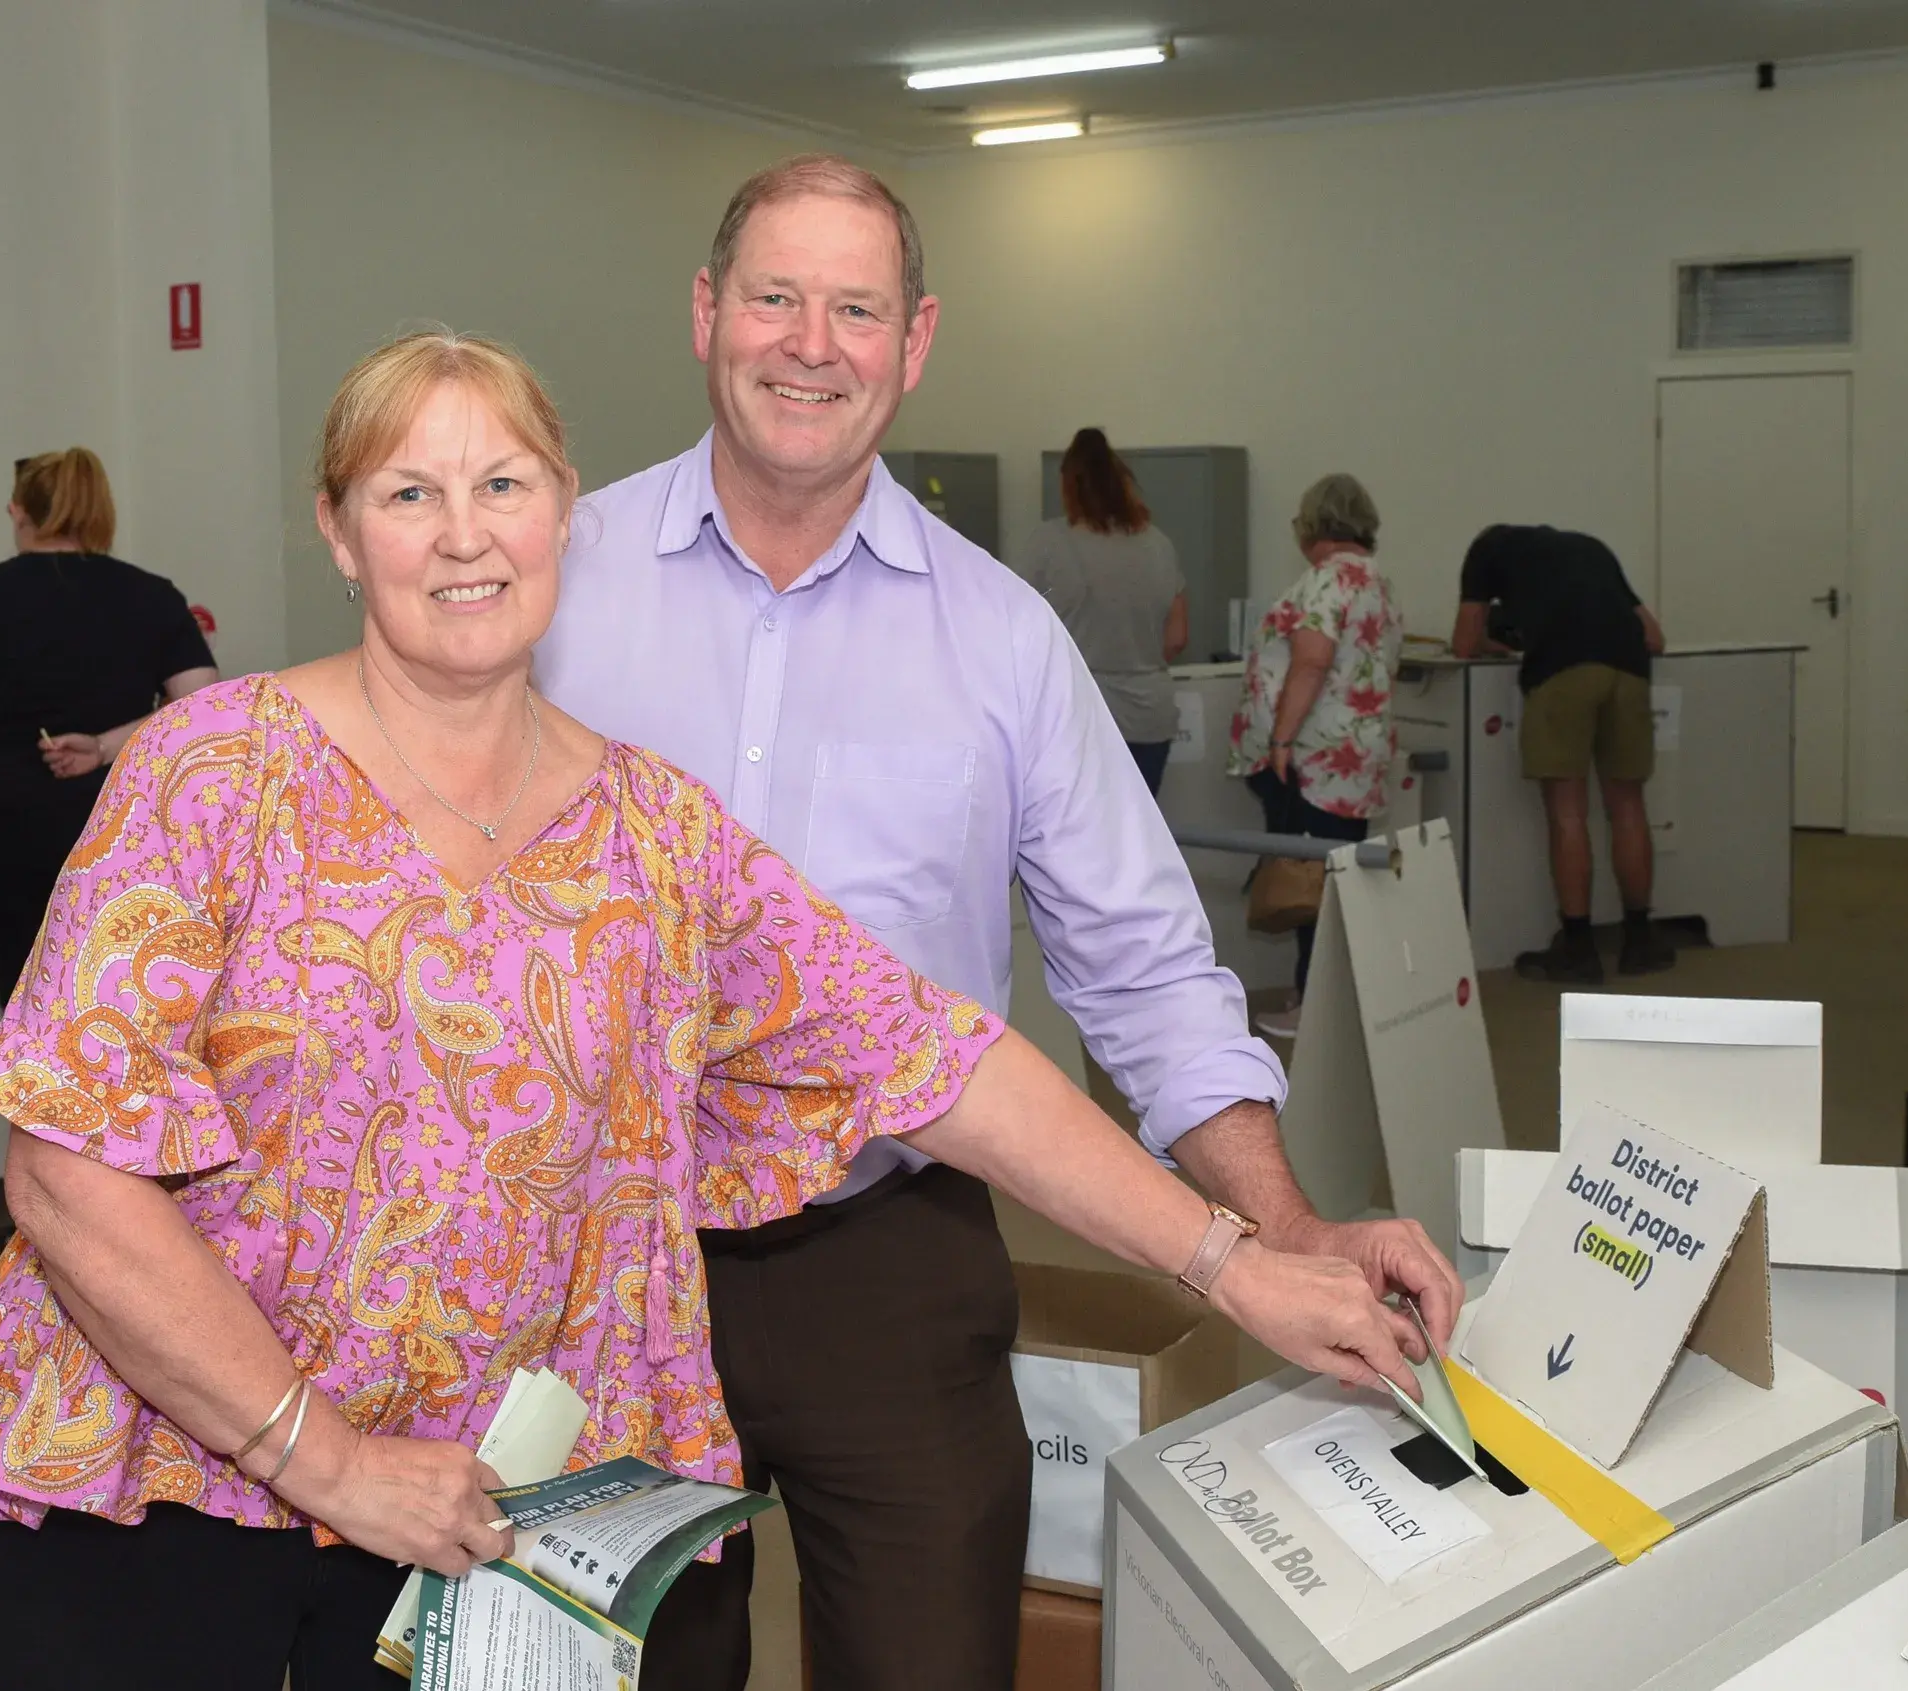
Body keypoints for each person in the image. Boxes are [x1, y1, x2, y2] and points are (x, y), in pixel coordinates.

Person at [0, 331, 1416, 1691]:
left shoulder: (653, 839)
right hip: (160, 1478)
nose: (462, 534)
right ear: (339, 532)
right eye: (408, 492)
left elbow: (939, 1059)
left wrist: (1238, 1258)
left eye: (503, 485)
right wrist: (323, 1455)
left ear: (566, 516)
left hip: (462, 1514)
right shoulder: (211, 770)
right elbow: (67, 1173)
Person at [533, 155, 1462, 1690]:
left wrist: (1286, 1229)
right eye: (774, 295)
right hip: (583, 1251)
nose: (809, 342)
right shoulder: (552, 578)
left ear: (916, 341)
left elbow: (1149, 971)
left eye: (855, 307)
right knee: (597, 1670)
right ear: (706, 313)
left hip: (882, 1256)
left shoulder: (1001, 640)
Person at [0, 448, 218, 1005]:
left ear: (20, 511)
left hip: (12, 837)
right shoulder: (152, 595)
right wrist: (103, 746)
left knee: (33, 1015)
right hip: (128, 836)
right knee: (126, 1016)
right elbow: (200, 708)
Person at [1226, 473, 1404, 1040]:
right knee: (1339, 878)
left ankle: (1316, 1005)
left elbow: (1310, 662)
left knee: (1311, 882)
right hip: (1356, 754)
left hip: (1320, 759)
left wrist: (1279, 740)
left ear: (1311, 525)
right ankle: (1330, 998)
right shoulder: (1376, 581)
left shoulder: (1328, 581)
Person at [1453, 523, 1672, 983]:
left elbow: (1463, 644)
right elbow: (1654, 636)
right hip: (1630, 672)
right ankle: (1639, 941)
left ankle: (1578, 948)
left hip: (1562, 673)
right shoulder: (1593, 546)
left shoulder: (1486, 549)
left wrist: (1500, 642)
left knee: (1568, 813)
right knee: (1628, 808)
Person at [1018, 428, 1187, 793]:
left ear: (1069, 486)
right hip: (1150, 719)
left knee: (1078, 843)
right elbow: (1176, 638)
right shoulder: (1159, 544)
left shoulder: (1050, 542)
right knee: (1138, 839)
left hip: (1080, 718)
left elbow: (1015, 630)